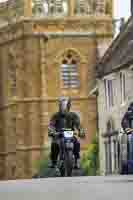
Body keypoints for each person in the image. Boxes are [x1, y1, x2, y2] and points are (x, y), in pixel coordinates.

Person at [48, 96, 85, 169]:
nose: (64, 107)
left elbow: (78, 125)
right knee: (54, 144)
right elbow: (51, 125)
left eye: (65, 105)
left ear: (69, 106)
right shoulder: (55, 116)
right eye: (62, 105)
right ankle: (54, 162)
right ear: (59, 105)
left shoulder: (73, 115)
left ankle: (76, 161)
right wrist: (52, 131)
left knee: (77, 143)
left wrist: (81, 131)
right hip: (59, 135)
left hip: (70, 135)